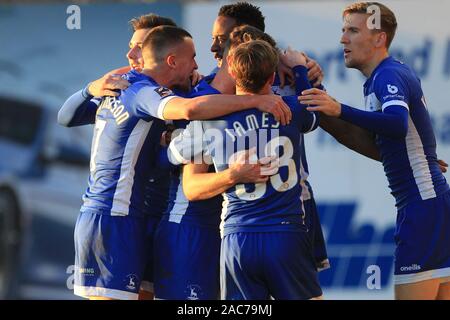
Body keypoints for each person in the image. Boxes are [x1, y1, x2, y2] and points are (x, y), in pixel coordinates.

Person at [65, 24, 291, 301]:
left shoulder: (134, 88)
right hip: (112, 217)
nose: (198, 64)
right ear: (172, 60)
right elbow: (189, 109)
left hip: (132, 218)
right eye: (193, 56)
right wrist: (256, 101)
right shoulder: (140, 90)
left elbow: (156, 155)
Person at [299, 2, 450, 300]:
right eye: (343, 30)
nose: (343, 39)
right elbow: (380, 140)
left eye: (353, 30)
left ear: (379, 38)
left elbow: (395, 124)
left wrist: (338, 108)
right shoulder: (383, 76)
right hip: (432, 202)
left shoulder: (387, 76)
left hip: (421, 209)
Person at [176, 40, 323, 300]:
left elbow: (191, 188)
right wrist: (300, 69)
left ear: (231, 72)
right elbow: (313, 107)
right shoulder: (292, 109)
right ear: (273, 76)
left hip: (238, 239)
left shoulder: (208, 120)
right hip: (285, 234)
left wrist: (231, 174)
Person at [58, 13, 177, 301]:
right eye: (132, 45)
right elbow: (66, 117)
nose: (131, 53)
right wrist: (90, 89)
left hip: (163, 221)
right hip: (120, 217)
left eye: (140, 46)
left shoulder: (187, 87)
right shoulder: (123, 86)